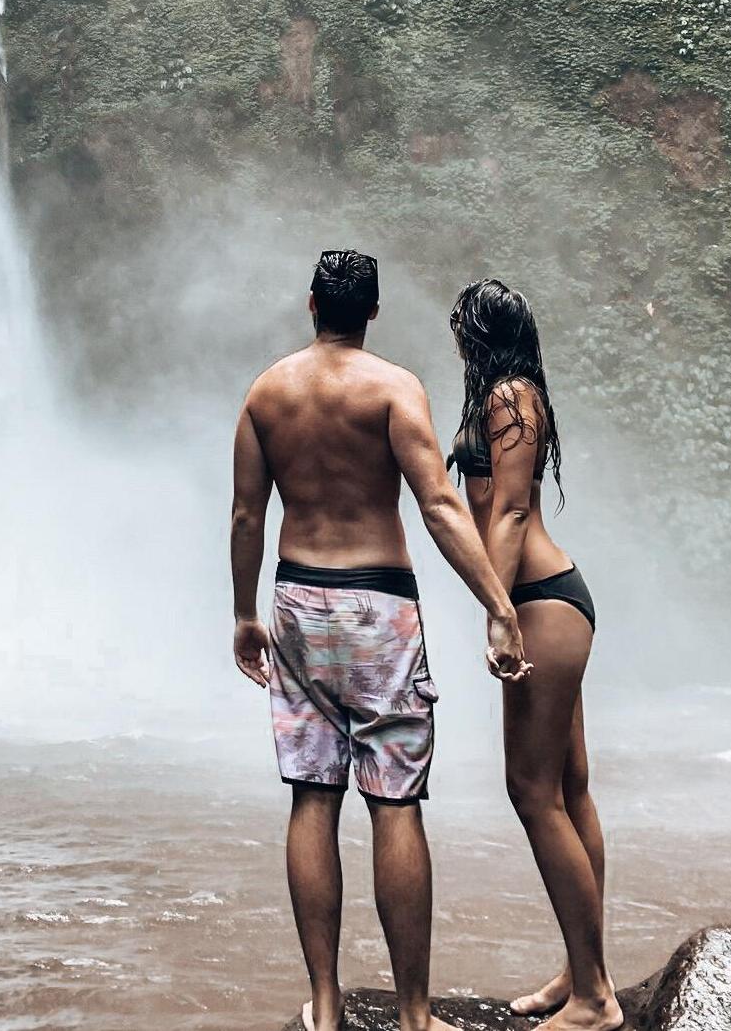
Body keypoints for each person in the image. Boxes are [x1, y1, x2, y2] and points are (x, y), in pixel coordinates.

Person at [230, 250, 531, 1031]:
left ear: (310, 305)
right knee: (395, 804)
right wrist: (498, 605)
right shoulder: (396, 389)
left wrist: (243, 614)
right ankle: (413, 1015)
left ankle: (326, 1006)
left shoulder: (267, 392)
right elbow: (437, 503)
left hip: (297, 600)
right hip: (380, 608)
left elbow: (245, 518)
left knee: (312, 796)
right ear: (372, 311)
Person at [447, 279, 620, 1031]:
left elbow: (512, 509)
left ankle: (593, 999)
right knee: (571, 787)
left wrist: (497, 614)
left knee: (532, 792)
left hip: (540, 601)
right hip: (548, 599)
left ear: (480, 332)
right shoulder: (513, 393)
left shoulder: (508, 398)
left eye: (462, 327)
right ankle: (582, 973)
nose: (456, 338)